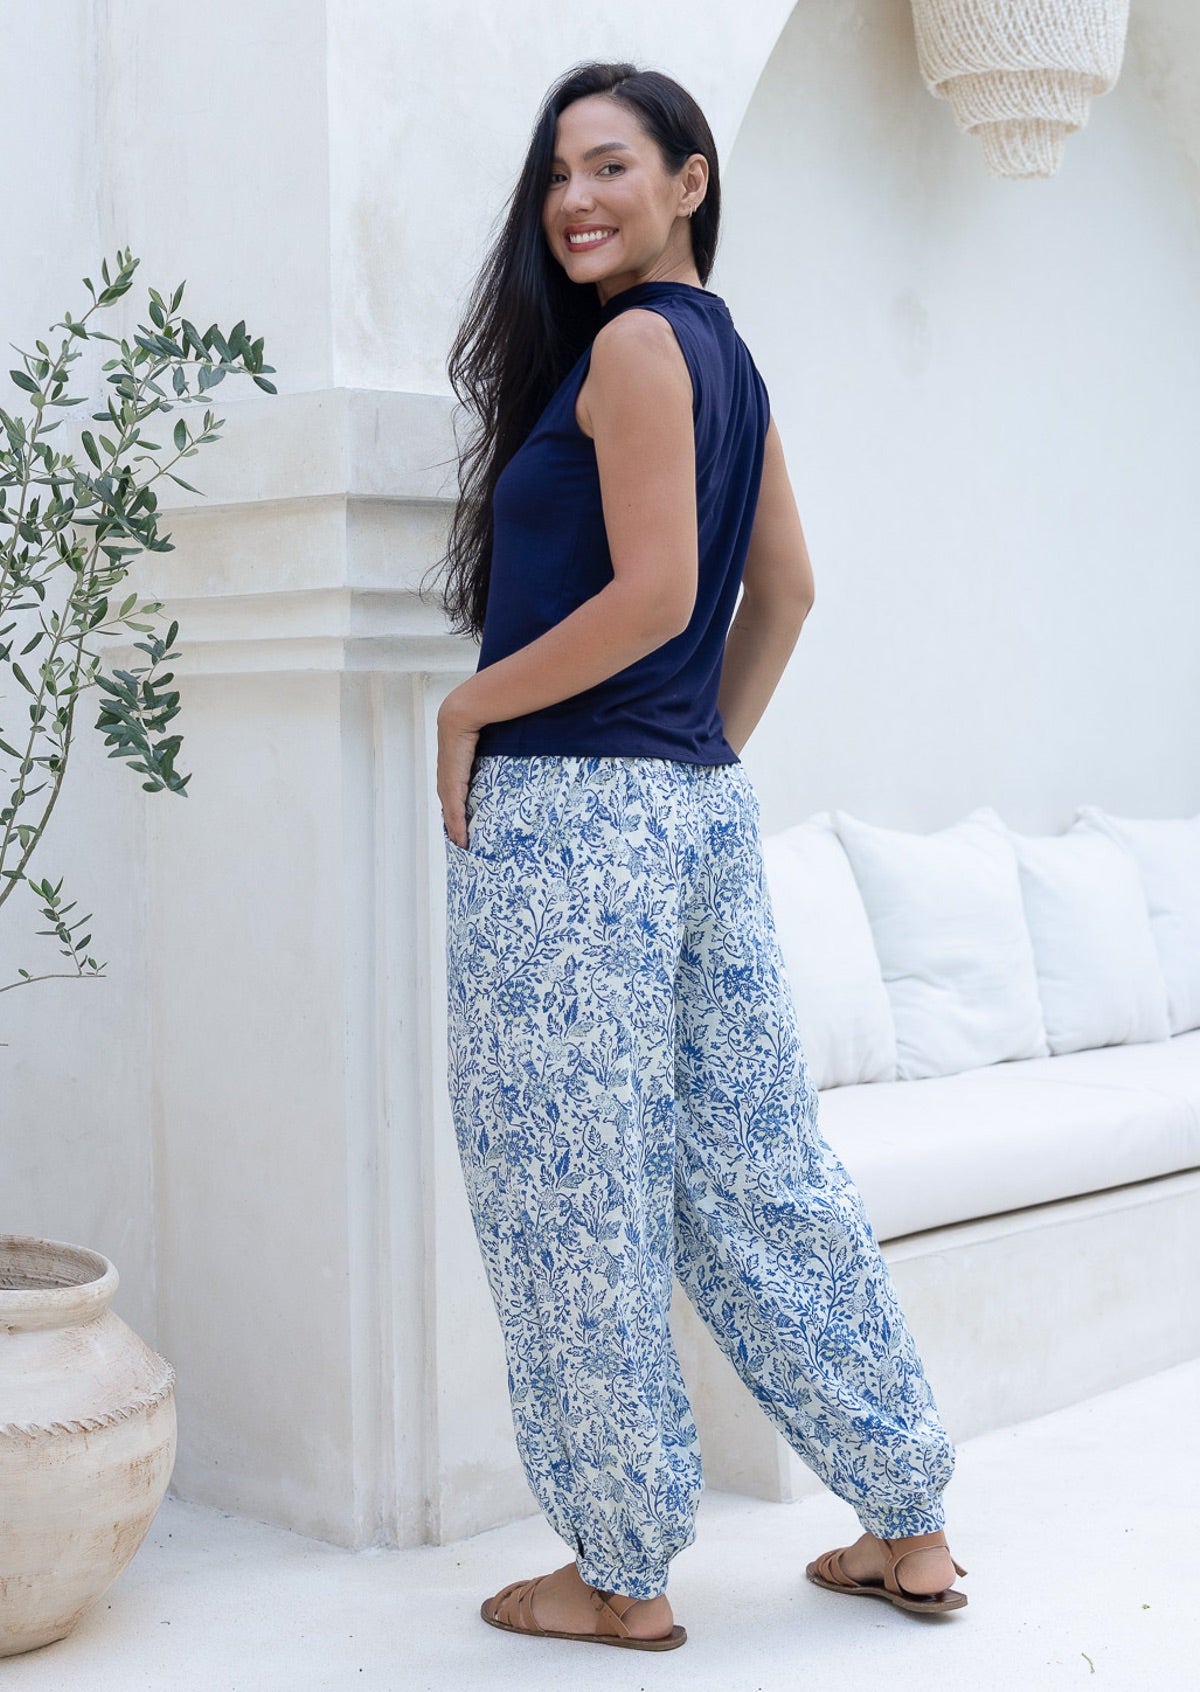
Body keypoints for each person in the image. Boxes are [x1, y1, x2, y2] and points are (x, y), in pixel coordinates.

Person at [429, 59, 967, 1652]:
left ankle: (619, 1571)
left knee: (567, 1194)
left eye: (610, 166)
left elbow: (662, 599)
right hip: (686, 815)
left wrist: (471, 704)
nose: (574, 199)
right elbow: (783, 592)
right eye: (555, 176)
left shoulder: (641, 350)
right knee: (758, 1171)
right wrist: (699, 757)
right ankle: (909, 1519)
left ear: (691, 179)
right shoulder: (727, 358)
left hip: (569, 826)